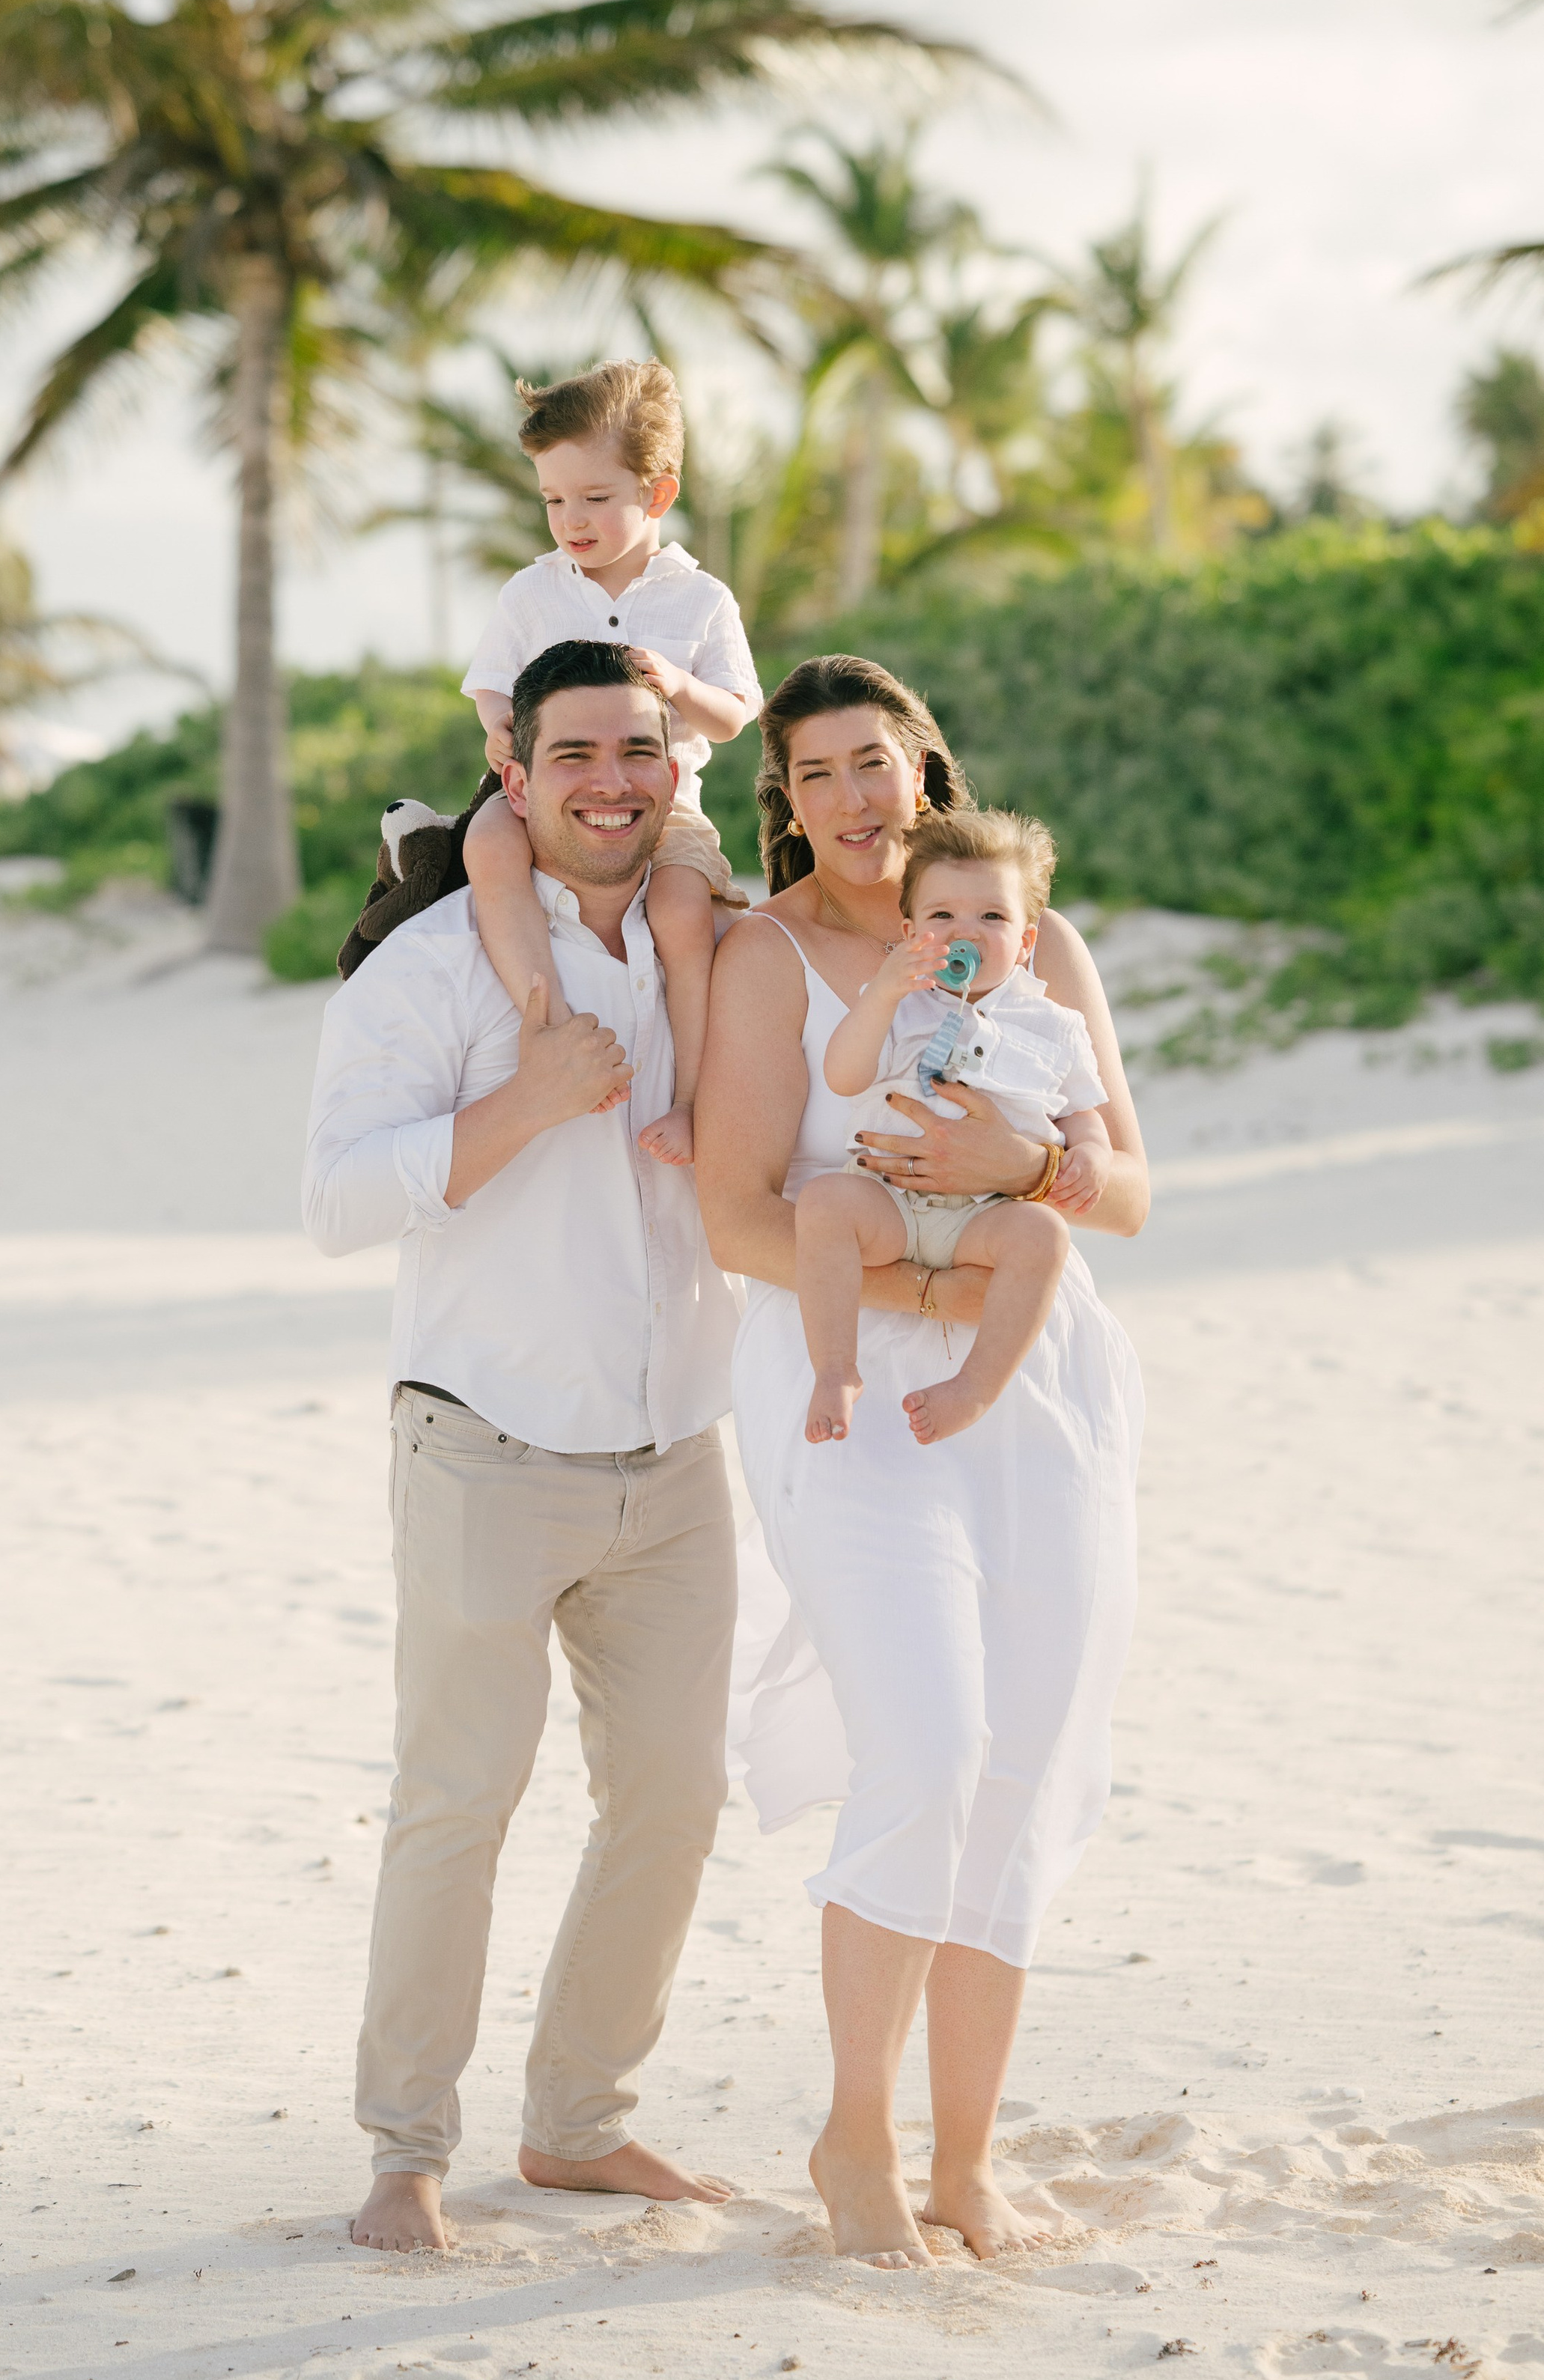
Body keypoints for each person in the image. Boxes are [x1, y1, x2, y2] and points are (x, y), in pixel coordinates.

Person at [696, 654, 1148, 2272]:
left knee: (1024, 1760)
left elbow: (1124, 1191)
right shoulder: (768, 959)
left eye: (872, 761)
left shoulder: (1035, 941)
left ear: (922, 765)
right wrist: (931, 1279)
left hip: (1036, 1384)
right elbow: (738, 1207)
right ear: (786, 803)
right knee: (930, 1744)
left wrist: (1019, 1168)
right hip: (854, 1380)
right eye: (811, 774)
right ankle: (854, 2133)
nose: (849, 798)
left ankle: (966, 2159)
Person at [303, 638, 741, 2256]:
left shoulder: (716, 944)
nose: (610, 781)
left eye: (638, 749)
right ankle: (404, 2149)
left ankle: (578, 2126)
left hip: (675, 1454)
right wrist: (528, 1100)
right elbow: (336, 1201)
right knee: (456, 1805)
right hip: (484, 1448)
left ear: (672, 764)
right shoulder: (433, 967)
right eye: (574, 755)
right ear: (516, 770)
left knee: (676, 1801)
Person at [460, 359, 761, 1169]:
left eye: (594, 499)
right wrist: (499, 733)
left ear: (656, 494)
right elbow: (490, 691)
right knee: (486, 847)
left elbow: (735, 716)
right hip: (539, 796)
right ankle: (547, 1025)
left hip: (665, 807)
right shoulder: (533, 593)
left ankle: (694, 1096)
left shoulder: (699, 600)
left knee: (680, 914)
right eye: (554, 500)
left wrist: (680, 686)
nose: (570, 520)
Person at [797, 807, 1113, 1448]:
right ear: (910, 931)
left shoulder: (1052, 1024)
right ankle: (836, 1369)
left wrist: (1092, 1153)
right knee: (825, 1203)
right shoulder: (897, 1005)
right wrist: (882, 994)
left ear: (1026, 941)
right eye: (943, 917)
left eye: (992, 917)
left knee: (1044, 1235)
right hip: (888, 1202)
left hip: (983, 1217)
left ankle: (976, 1386)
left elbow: (1082, 1110)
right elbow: (842, 1074)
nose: (965, 932)